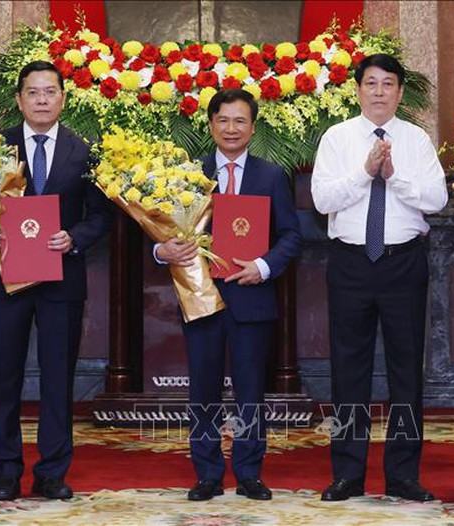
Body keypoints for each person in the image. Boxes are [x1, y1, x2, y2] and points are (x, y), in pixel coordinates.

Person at [0, 61, 113, 501]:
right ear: (19, 100)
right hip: (6, 279)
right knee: (3, 376)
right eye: (33, 92)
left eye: (50, 92)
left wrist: (75, 237)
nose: (42, 100)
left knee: (58, 379)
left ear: (63, 99)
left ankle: (52, 472)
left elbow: (101, 217)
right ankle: (5, 472)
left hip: (61, 281)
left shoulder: (84, 151)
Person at [311, 53, 447, 502]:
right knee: (348, 370)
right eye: (371, 83)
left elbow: (436, 199)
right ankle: (348, 474)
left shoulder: (416, 140)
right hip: (350, 264)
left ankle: (403, 475)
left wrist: (393, 176)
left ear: (400, 93)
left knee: (406, 370)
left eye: (388, 84)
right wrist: (365, 173)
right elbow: (322, 200)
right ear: (357, 90)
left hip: (403, 263)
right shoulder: (337, 138)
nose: (379, 92)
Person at [155, 89, 301, 501]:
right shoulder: (189, 174)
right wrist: (161, 250)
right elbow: (162, 230)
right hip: (200, 296)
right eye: (223, 120)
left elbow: (291, 235)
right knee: (202, 389)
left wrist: (264, 266)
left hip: (252, 298)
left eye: (240, 121)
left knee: (251, 390)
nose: (231, 128)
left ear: (253, 128)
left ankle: (250, 473)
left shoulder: (272, 176)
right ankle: (207, 474)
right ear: (211, 125)